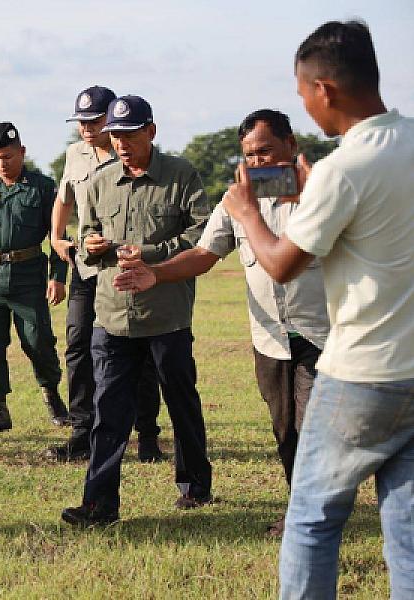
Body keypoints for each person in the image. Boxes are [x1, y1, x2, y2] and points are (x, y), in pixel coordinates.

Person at [220, 21, 414, 599]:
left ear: (323, 89)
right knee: (405, 527)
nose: (304, 105)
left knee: (311, 518)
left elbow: (282, 263)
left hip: (362, 374)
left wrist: (246, 210)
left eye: (303, 93)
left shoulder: (342, 169)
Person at [114, 109, 330, 536]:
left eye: (266, 150)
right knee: (284, 429)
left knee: (312, 429)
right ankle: (304, 508)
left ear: (292, 145)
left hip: (321, 335)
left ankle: (309, 519)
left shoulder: (326, 191)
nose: (258, 163)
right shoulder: (238, 202)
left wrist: (309, 195)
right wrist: (156, 273)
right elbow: (204, 254)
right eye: (249, 155)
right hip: (269, 338)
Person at [60, 95, 213, 528]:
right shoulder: (99, 180)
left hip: (167, 314)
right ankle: (99, 503)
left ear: (151, 131)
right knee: (108, 411)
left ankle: (195, 485)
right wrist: (90, 242)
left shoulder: (181, 176)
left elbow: (203, 233)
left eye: (129, 134)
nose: (121, 143)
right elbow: (86, 228)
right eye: (115, 136)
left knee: (180, 401)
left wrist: (149, 253)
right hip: (111, 314)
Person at [46, 85, 164, 463]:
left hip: (121, 268)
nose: (85, 128)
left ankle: (147, 435)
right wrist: (56, 237)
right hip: (85, 265)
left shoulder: (129, 150)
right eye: (80, 122)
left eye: (93, 120)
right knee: (78, 344)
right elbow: (64, 198)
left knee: (138, 349)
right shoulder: (74, 155)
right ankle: (82, 432)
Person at [0, 122, 69, 433]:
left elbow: (59, 235)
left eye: (7, 156)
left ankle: (53, 400)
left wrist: (58, 277)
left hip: (29, 280)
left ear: (22, 152)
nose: (2, 163)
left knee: (38, 343)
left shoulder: (43, 188)